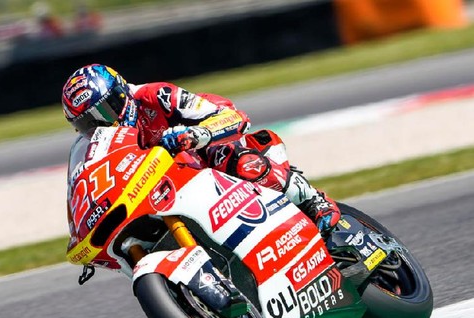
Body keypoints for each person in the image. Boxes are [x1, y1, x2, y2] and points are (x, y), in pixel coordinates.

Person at [61, 64, 340, 233]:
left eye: (105, 112)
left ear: (122, 94)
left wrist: (195, 135)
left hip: (205, 147)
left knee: (230, 158)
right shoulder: (92, 146)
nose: (102, 126)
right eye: (88, 124)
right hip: (167, 180)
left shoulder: (155, 95)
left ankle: (312, 200)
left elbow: (234, 117)